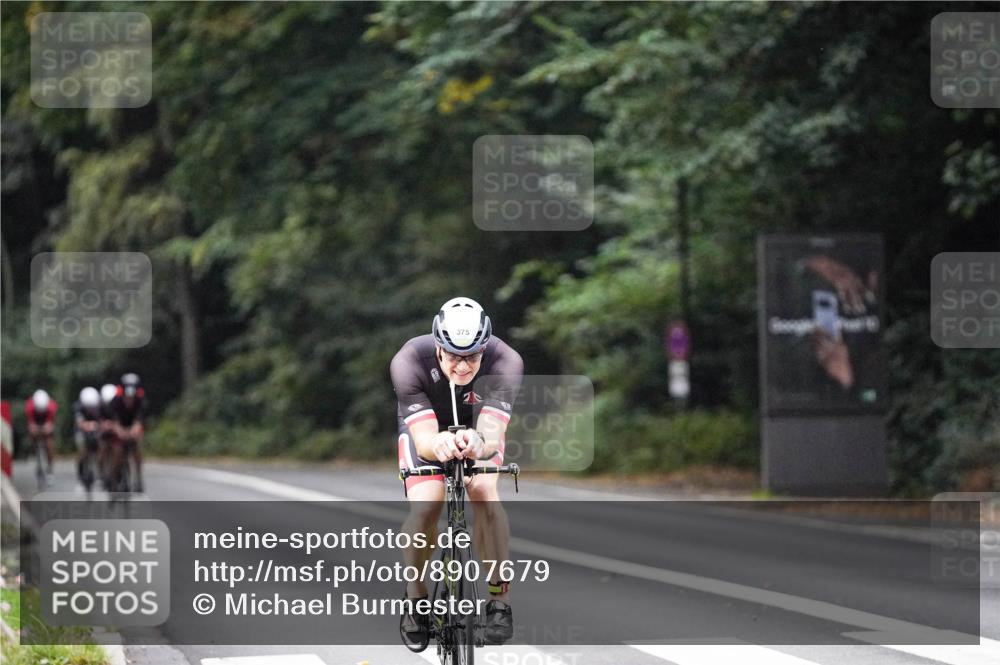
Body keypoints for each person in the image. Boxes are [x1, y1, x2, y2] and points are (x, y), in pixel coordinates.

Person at [390, 297, 523, 650]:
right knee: (427, 506)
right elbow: (424, 441)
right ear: (438, 346)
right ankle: (416, 596)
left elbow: (492, 435)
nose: (463, 367)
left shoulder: (505, 361)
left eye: (472, 357)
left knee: (483, 490)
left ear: (485, 348)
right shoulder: (409, 361)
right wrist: (441, 445)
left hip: (477, 429)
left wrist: (478, 441)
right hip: (425, 428)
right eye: (453, 357)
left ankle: (499, 598)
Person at [109, 373, 146, 493]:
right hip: (119, 426)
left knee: (137, 448)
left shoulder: (140, 401)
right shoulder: (115, 401)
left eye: (132, 397)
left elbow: (140, 419)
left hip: (132, 426)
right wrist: (120, 431)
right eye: (127, 397)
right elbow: (114, 421)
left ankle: (138, 478)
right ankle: (114, 481)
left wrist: (135, 430)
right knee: (117, 452)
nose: (129, 400)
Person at [73, 387, 103, 495]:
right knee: (82, 451)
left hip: (96, 430)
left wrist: (97, 426)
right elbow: (79, 423)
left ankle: (100, 475)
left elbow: (103, 422)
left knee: (101, 449)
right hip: (82, 431)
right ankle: (81, 479)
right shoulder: (78, 407)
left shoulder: (100, 406)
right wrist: (90, 425)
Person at [24, 389, 57, 478]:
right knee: (33, 434)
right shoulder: (29, 406)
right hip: (35, 420)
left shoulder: (52, 406)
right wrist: (33, 428)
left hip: (46, 420)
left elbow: (50, 423)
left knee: (49, 444)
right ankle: (35, 450)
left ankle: (50, 466)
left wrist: (48, 427)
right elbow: (30, 423)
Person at [98, 383, 119, 490]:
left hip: (117, 432)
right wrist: (103, 425)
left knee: (118, 451)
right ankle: (102, 475)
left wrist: (115, 425)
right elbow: (97, 420)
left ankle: (119, 471)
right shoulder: (99, 405)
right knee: (102, 451)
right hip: (105, 433)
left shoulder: (119, 404)